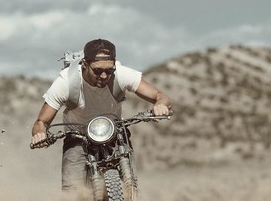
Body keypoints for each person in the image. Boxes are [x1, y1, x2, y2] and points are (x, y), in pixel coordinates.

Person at [31, 38, 172, 190]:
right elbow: (41, 122)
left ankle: (131, 200)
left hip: (114, 131)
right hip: (78, 137)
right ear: (85, 64)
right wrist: (40, 134)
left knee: (130, 184)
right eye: (97, 71)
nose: (104, 76)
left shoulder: (121, 74)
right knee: (72, 189)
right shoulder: (66, 82)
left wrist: (160, 105)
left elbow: (160, 96)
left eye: (109, 70)